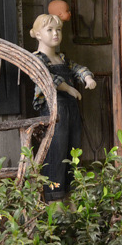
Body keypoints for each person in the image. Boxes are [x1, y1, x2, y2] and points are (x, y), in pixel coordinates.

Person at [29, 13, 96, 200]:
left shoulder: (62, 58)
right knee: (56, 150)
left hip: (71, 110)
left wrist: (87, 77)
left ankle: (70, 195)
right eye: (49, 30)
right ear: (38, 34)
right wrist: (68, 88)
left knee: (73, 149)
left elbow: (76, 68)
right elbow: (45, 78)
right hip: (54, 110)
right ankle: (54, 196)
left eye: (58, 30)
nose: (55, 34)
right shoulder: (37, 59)